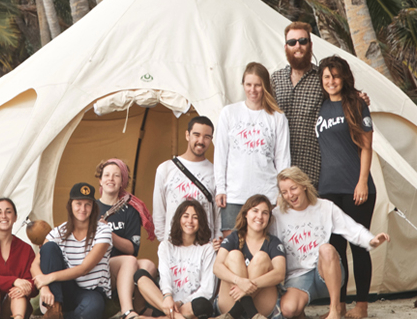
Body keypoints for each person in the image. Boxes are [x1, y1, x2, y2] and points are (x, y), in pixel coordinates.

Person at [271, 167, 389, 319]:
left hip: (324, 274)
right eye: (284, 192)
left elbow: (350, 227)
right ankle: (300, 311)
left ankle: (335, 308)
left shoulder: (325, 207)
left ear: (304, 185)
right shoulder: (278, 215)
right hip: (298, 276)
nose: (290, 195)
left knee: (326, 249)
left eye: (293, 188)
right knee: (288, 310)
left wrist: (370, 240)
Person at [316, 55, 378, 319]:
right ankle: (338, 304)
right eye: (327, 77)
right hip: (327, 190)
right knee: (336, 248)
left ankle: (361, 305)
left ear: (344, 78)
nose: (331, 82)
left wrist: (362, 181)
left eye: (336, 76)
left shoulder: (356, 105)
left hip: (356, 187)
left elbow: (366, 146)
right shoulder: (319, 107)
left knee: (358, 246)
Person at [270, 22, 369, 188]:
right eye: (292, 42)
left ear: (310, 44)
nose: (298, 46)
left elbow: (344, 99)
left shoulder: (322, 79)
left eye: (302, 41)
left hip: (315, 171)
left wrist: (360, 99)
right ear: (286, 47)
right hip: (280, 171)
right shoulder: (275, 79)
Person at [214, 63, 291, 235]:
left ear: (265, 86)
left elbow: (283, 159)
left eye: (257, 85)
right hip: (235, 193)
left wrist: (282, 192)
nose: (253, 89)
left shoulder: (277, 117)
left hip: (267, 194)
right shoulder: (229, 113)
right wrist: (221, 188)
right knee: (232, 248)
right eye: (248, 85)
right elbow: (220, 154)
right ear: (243, 85)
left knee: (264, 247)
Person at [31, 183, 113, 319]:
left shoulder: (103, 231)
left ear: (93, 207)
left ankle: (61, 317)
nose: (83, 209)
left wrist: (49, 277)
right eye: (78, 203)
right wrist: (43, 286)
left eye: (88, 204)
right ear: (70, 205)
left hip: (91, 290)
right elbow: (35, 264)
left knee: (89, 314)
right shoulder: (58, 231)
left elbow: (84, 269)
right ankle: (54, 309)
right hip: (65, 289)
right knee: (49, 248)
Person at [133, 198, 217, 319]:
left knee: (203, 305)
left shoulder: (207, 249)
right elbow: (164, 275)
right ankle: (177, 318)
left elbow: (207, 289)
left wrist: (180, 302)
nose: (190, 221)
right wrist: (168, 297)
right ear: (178, 219)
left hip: (189, 307)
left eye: (195, 217)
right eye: (186, 216)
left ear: (201, 222)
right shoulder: (166, 246)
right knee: (140, 275)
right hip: (164, 303)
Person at [95, 158, 157, 319]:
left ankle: (139, 307)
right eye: (106, 175)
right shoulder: (91, 208)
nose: (111, 179)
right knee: (130, 261)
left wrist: (110, 234)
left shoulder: (130, 211)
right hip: (98, 265)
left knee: (148, 265)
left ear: (122, 181)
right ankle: (126, 310)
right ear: (100, 180)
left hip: (121, 265)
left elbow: (132, 249)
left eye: (116, 176)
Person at [209, 195, 285, 319]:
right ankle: (252, 315)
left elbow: (280, 274)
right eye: (255, 211)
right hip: (229, 301)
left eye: (265, 213)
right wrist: (239, 281)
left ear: (269, 218)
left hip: (262, 306)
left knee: (261, 257)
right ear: (245, 214)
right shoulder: (234, 238)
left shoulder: (273, 242)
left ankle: (234, 316)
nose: (260, 216)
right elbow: (217, 267)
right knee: (234, 255)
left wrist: (249, 285)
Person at [151, 116, 221, 243]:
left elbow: (219, 216)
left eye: (207, 137)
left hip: (204, 248)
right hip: (173, 246)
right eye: (196, 135)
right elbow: (159, 213)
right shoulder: (165, 169)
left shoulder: (216, 172)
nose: (201, 141)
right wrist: (166, 243)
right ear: (187, 135)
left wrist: (214, 245)